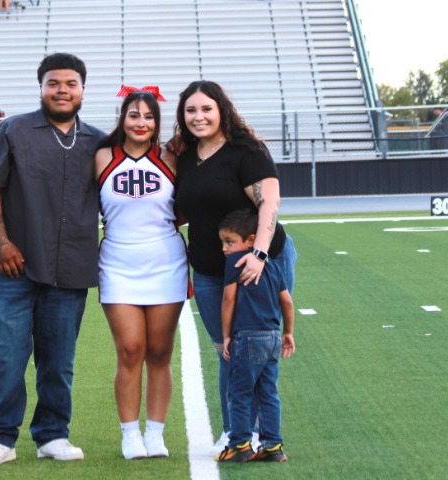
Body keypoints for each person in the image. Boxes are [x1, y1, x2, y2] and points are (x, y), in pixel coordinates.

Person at [0, 52, 105, 467]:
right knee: (5, 357)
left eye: (70, 84)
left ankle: (52, 435)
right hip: (12, 266)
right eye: (54, 83)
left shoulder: (99, 142)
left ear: (83, 90)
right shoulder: (11, 130)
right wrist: (1, 242)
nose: (62, 90)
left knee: (58, 361)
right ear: (41, 87)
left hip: (69, 266)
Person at [171, 80, 297, 454]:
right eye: (191, 110)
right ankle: (237, 431)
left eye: (206, 109)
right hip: (210, 270)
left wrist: (258, 255)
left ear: (221, 110)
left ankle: (250, 433)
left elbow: (269, 202)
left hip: (259, 263)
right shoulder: (185, 156)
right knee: (226, 348)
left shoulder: (246, 150)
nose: (198, 117)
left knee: (250, 349)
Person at [96, 86, 188, 460]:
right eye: (134, 115)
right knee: (131, 349)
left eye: (149, 117)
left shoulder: (172, 157)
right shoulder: (102, 156)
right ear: (122, 119)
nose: (141, 122)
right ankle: (130, 434)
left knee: (160, 352)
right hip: (118, 263)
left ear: (157, 122)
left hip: (166, 263)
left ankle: (156, 433)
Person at [215, 208, 294, 463]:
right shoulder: (272, 264)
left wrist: (226, 335)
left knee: (240, 393)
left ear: (251, 240)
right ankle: (273, 445)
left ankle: (239, 444)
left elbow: (228, 299)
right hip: (272, 337)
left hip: (246, 336)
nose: (225, 248)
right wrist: (288, 332)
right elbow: (287, 302)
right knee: (268, 393)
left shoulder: (235, 262)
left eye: (229, 241)